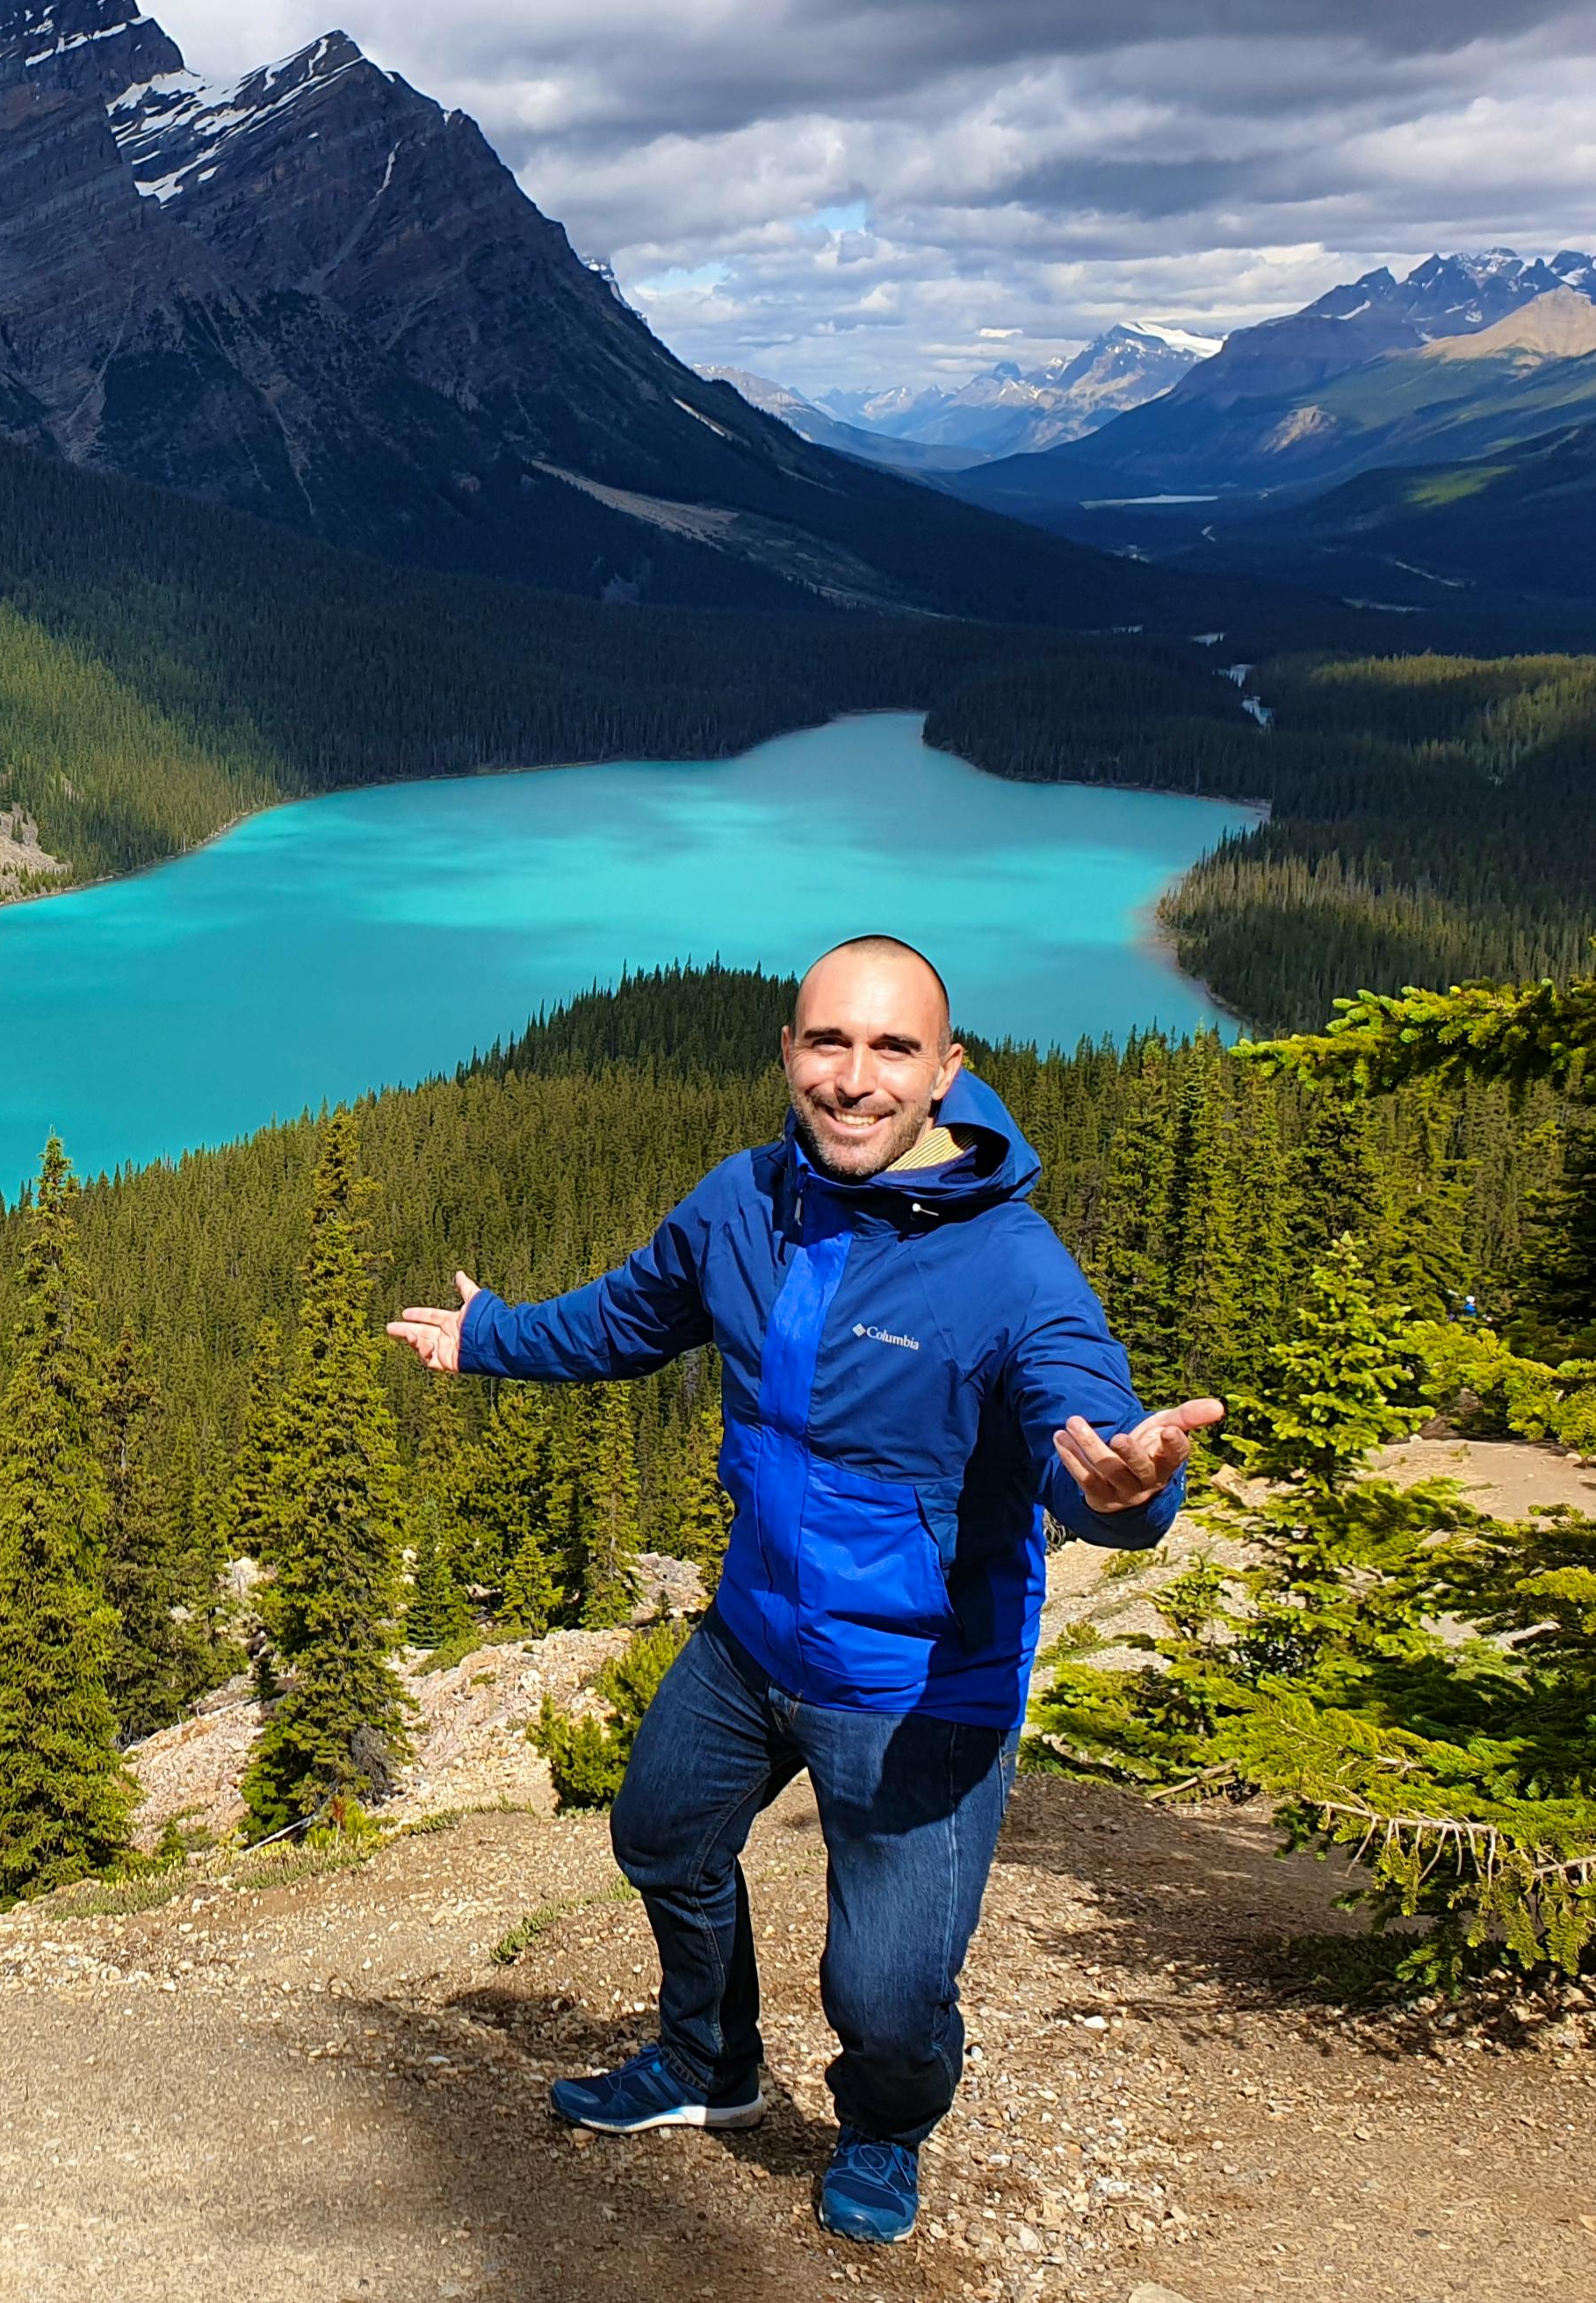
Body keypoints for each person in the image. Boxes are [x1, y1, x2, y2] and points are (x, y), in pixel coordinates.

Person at [388, 937, 1217, 2245]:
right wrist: (490, 1335)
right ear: (786, 1053)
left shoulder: (1012, 1266)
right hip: (753, 1636)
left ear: (947, 1070)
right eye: (826, 1042)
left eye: (891, 1048)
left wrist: (1124, 1492)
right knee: (658, 1832)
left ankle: (885, 2126)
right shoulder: (741, 1202)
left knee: (884, 1999)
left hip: (916, 1689)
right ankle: (710, 2065)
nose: (853, 1076)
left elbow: (1085, 1431)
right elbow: (626, 1316)